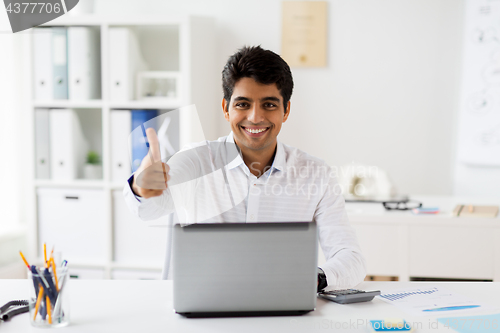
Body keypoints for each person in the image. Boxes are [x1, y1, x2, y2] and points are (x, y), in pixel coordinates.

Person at [123, 46, 366, 290]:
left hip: (284, 313)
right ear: (226, 109)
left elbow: (351, 259)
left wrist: (314, 277)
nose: (255, 117)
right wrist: (142, 187)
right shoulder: (196, 160)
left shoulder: (316, 174)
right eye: (243, 104)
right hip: (206, 314)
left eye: (269, 104)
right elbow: (148, 210)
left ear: (286, 110)